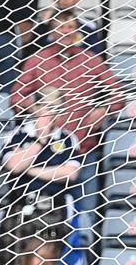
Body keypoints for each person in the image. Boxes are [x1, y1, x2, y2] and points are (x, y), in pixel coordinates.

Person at [12, 9, 124, 157]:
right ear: (51, 33)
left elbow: (119, 95)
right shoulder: (36, 60)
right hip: (44, 150)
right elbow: (16, 98)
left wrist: (104, 109)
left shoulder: (92, 60)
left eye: (70, 27)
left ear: (77, 32)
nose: (65, 32)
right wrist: (36, 110)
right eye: (60, 27)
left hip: (83, 146)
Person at [36, 0, 103, 55]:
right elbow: (33, 53)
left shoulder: (89, 27)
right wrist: (44, 24)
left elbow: (95, 55)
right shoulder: (42, 26)